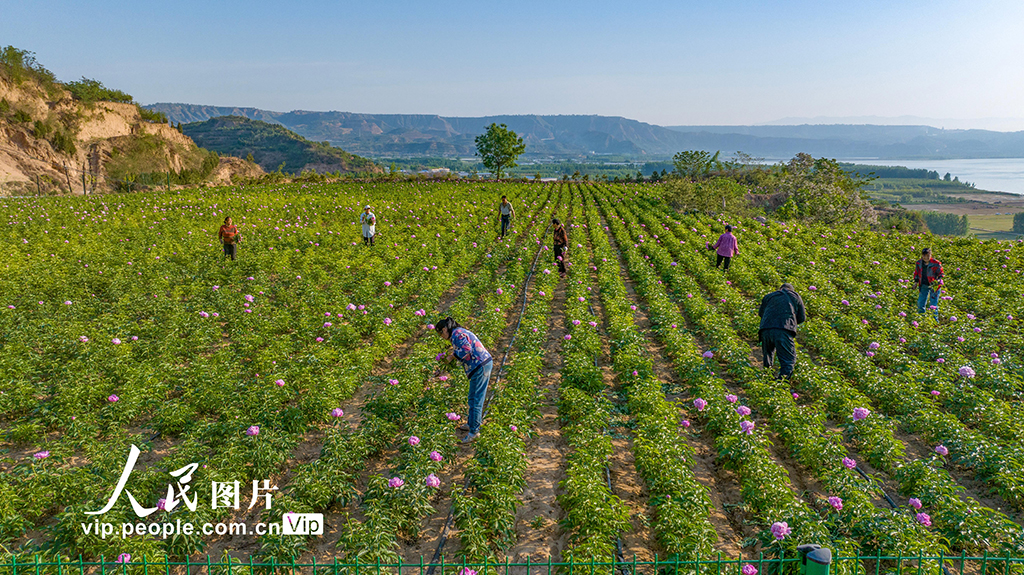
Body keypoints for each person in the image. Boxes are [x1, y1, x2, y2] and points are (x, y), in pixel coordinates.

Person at [435, 317, 493, 443]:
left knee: (476, 399)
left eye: (440, 333)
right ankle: (472, 423)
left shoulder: (457, 334)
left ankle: (474, 432)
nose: (441, 336)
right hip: (479, 366)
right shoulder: (457, 334)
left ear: (445, 329)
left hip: (480, 366)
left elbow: (466, 349)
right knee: (472, 398)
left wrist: (451, 356)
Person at [758, 283, 806, 380]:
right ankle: (781, 384)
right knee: (788, 360)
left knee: (768, 356)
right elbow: (802, 317)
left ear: (780, 289)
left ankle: (767, 379)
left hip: (765, 329)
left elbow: (761, 313)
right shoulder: (795, 296)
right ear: (791, 290)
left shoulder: (769, 296)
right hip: (783, 329)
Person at [914, 247, 944, 319]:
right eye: (924, 255)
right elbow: (916, 273)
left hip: (934, 286)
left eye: (928, 255)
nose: (926, 257)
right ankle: (921, 319)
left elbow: (941, 274)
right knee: (920, 303)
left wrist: (938, 280)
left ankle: (934, 322)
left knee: (933, 305)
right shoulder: (919, 263)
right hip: (923, 284)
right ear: (922, 255)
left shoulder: (936, 263)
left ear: (931, 255)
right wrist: (915, 283)